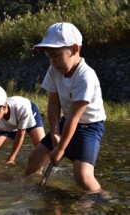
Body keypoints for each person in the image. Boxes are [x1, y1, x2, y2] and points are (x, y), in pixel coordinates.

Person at [24, 22, 106, 192]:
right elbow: (53, 104)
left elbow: (75, 117)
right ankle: (31, 191)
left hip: (89, 127)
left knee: (82, 176)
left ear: (75, 49)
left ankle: (101, 200)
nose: (53, 62)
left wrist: (60, 148)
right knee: (34, 159)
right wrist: (54, 133)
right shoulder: (53, 71)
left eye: (56, 55)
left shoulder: (85, 76)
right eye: (49, 57)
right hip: (65, 122)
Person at [0, 83, 45, 168]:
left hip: (26, 114)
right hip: (5, 124)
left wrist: (11, 159)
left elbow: (20, 135)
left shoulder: (22, 108)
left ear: (4, 107)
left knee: (43, 149)